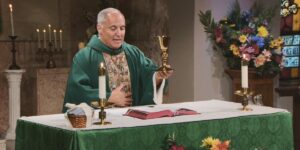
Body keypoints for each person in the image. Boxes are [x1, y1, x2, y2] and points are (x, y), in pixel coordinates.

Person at [63, 8, 173, 112]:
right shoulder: (84, 57)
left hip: (131, 122)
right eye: (113, 28)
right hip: (100, 124)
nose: (119, 33)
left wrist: (158, 77)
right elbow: (76, 92)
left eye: (122, 28)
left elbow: (148, 75)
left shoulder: (133, 53)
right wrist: (109, 97)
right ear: (99, 28)